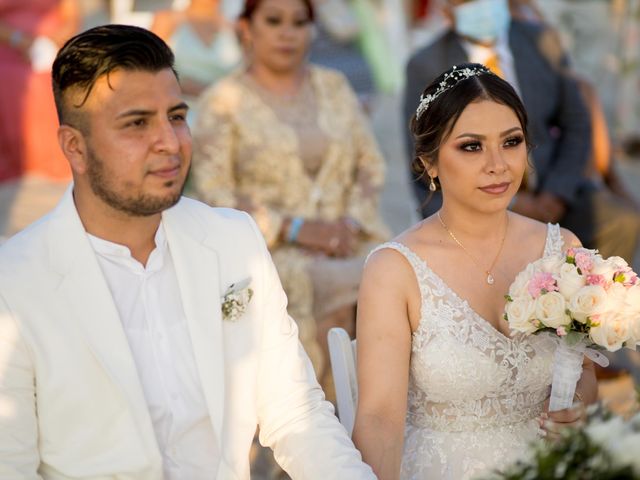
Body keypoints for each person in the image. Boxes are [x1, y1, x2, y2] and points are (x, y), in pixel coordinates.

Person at [0, 24, 376, 479]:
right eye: (137, 123)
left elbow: (294, 412)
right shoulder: (16, 283)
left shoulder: (232, 240)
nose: (171, 142)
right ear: (75, 147)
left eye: (177, 116)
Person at [353, 63, 598, 479]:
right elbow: (378, 419)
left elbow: (586, 373)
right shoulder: (394, 270)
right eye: (471, 146)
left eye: (511, 142)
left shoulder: (564, 250)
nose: (497, 164)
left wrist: (577, 408)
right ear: (429, 162)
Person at [190, 0, 390, 390]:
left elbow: (371, 164)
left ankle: (370, 415)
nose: (287, 33)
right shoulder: (224, 101)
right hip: (270, 250)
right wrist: (294, 229)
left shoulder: (333, 86)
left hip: (352, 236)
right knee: (341, 282)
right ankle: (325, 413)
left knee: (395, 273)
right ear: (247, 28)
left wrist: (347, 224)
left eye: (299, 23)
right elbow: (215, 196)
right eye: (274, 21)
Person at [403, 0, 639, 264]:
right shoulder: (426, 65)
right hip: (476, 206)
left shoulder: (541, 42)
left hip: (553, 190)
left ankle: (593, 299)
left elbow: (577, 123)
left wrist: (556, 194)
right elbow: (420, 154)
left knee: (619, 222)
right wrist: (511, 204)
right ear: (445, 9)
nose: (481, 6)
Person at [0, 0, 79, 181]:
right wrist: (20, 40)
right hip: (8, 44)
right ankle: (23, 159)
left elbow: (72, 17)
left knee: (55, 77)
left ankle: (59, 157)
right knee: (18, 80)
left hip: (52, 44)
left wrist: (52, 41)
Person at [150, 0, 242, 124]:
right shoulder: (167, 20)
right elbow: (147, 71)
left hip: (224, 117)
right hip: (175, 115)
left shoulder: (235, 28)